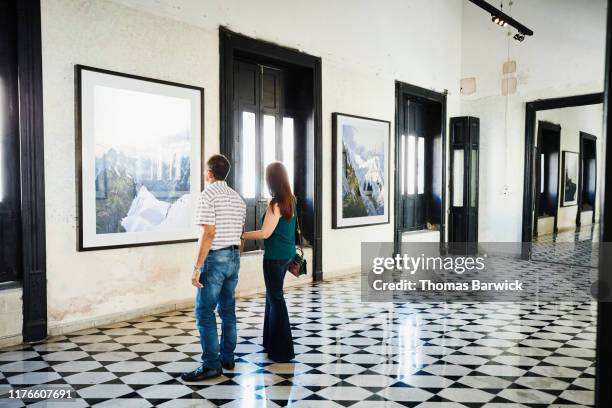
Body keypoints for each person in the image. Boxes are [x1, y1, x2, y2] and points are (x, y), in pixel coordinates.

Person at [182, 154, 246, 381]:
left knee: (204, 311)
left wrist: (197, 267)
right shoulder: (237, 198)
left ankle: (211, 365)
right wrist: (234, 259)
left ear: (209, 173)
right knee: (227, 310)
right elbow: (240, 234)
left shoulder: (207, 195)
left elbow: (208, 233)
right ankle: (227, 357)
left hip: (215, 258)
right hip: (233, 257)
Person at [241, 161, 296, 362]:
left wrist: (243, 234)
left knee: (276, 299)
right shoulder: (291, 199)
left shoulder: (275, 204)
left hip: (274, 257)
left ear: (271, 180)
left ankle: (283, 351)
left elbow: (265, 233)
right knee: (272, 297)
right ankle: (270, 342)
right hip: (288, 254)